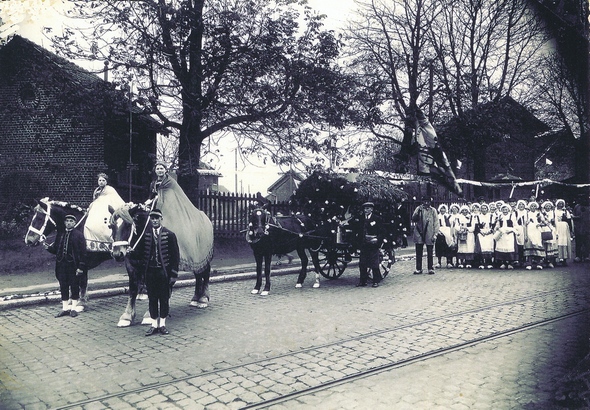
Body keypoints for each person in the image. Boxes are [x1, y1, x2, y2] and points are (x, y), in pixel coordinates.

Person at [135, 209, 180, 336]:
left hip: (163, 272)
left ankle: (163, 324)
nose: (154, 220)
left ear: (161, 219)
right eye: (152, 218)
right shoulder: (146, 235)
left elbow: (175, 256)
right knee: (152, 299)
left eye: (157, 218)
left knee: (164, 299)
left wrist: (173, 275)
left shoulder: (169, 234)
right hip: (150, 273)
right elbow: (141, 254)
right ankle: (154, 325)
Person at [43, 214, 87, 317]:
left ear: (74, 223)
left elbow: (83, 253)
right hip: (61, 265)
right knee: (63, 285)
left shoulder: (79, 235)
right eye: (67, 221)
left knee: (74, 285)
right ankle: (65, 308)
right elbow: (56, 250)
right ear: (64, 223)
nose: (68, 223)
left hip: (73, 265)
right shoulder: (61, 234)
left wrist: (81, 267)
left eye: (71, 221)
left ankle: (73, 308)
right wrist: (48, 248)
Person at [84, 173, 125, 252]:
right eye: (100, 180)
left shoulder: (110, 189)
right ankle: (93, 243)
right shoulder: (97, 191)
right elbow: (94, 201)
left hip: (106, 210)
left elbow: (116, 199)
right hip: (96, 210)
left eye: (103, 180)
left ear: (106, 182)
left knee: (105, 226)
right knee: (90, 224)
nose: (101, 182)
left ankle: (109, 244)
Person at [355, 202, 384, 287]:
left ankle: (375, 281)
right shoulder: (361, 218)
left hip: (373, 243)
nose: (365, 210)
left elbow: (381, 231)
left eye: (367, 208)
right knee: (362, 262)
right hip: (364, 244)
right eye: (364, 209)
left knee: (374, 262)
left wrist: (377, 241)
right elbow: (358, 230)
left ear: (371, 209)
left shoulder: (377, 218)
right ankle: (363, 281)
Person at [412, 196, 440, 275]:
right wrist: (418, 211)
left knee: (430, 251)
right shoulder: (419, 209)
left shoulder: (433, 210)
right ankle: (418, 268)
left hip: (429, 232)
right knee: (418, 251)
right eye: (425, 201)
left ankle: (430, 268)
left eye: (428, 201)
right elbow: (413, 218)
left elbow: (436, 223)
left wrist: (435, 234)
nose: (426, 203)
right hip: (419, 232)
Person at [494, 204, 519, 269]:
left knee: (509, 248)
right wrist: (497, 228)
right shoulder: (500, 216)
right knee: (502, 247)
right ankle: (504, 262)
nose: (505, 211)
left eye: (506, 209)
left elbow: (516, 226)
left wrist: (511, 231)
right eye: (503, 210)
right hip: (502, 234)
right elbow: (497, 226)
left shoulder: (512, 216)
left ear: (508, 210)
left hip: (509, 234)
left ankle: (510, 263)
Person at [554, 199, 573, 266]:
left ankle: (564, 259)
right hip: (557, 227)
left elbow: (569, 221)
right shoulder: (554, 211)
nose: (561, 205)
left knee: (564, 242)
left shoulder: (566, 212)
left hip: (564, 228)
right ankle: (556, 259)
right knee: (557, 242)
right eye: (559, 203)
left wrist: (571, 231)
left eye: (562, 203)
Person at [435, 204, 454, 268]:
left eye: (444, 209)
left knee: (448, 247)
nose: (442, 211)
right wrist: (437, 231)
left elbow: (451, 225)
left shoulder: (449, 216)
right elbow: (435, 225)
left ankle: (448, 262)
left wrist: (451, 233)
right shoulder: (437, 216)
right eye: (441, 209)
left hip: (448, 232)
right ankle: (439, 262)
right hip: (440, 233)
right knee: (439, 247)